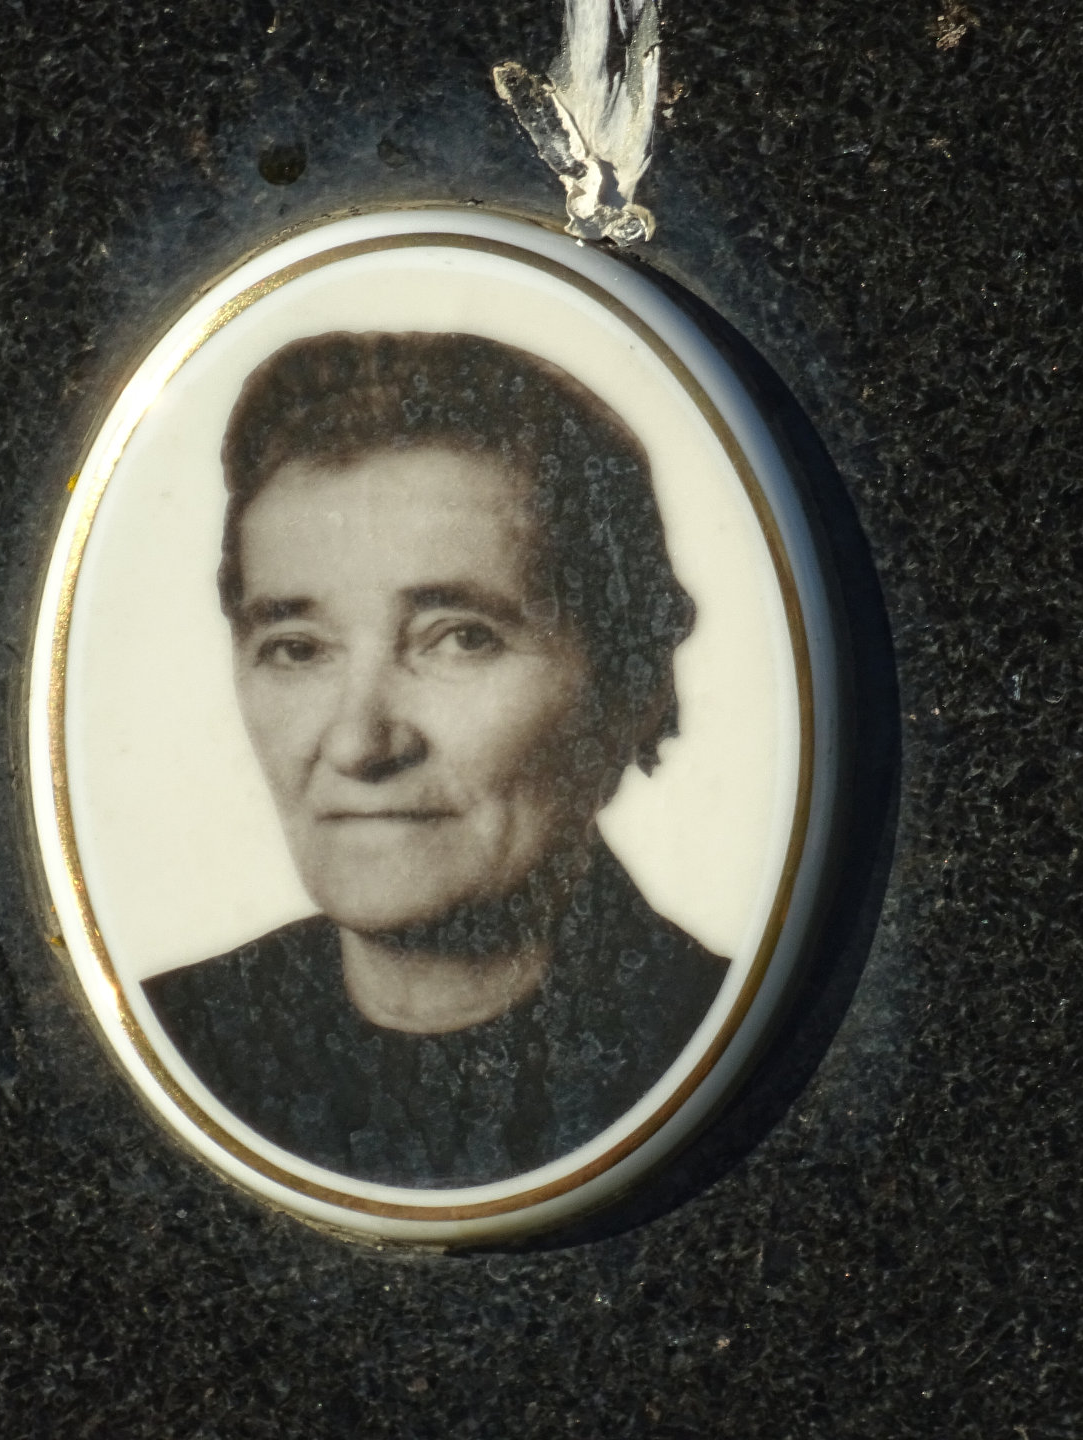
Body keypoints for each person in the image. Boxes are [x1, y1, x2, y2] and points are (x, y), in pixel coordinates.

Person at [142, 331, 726, 1187]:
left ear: (629, 683)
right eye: (297, 648)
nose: (359, 744)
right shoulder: (168, 1041)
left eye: (461, 638)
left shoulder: (717, 1043)